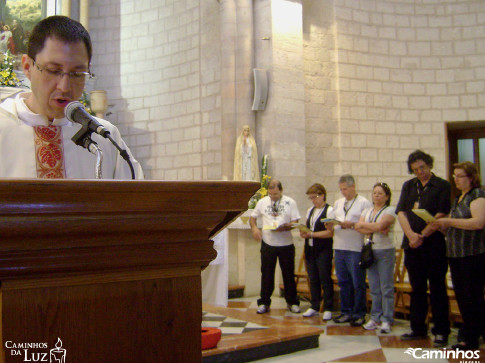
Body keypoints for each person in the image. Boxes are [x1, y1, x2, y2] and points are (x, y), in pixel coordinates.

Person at [0, 16, 143, 180]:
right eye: (53, 70)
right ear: (27, 67)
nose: (65, 86)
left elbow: (135, 201)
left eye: (77, 74)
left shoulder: (104, 137)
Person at [396, 150, 450, 347]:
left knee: (437, 288)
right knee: (416, 288)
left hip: (433, 244)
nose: (420, 172)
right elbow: (401, 212)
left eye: (423, 168)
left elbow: (442, 214)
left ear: (429, 165)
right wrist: (411, 235)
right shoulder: (409, 186)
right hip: (412, 244)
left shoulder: (442, 185)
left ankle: (441, 330)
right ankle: (417, 328)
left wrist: (422, 235)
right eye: (416, 170)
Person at [432, 162, 485, 350]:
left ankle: (471, 339)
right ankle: (470, 333)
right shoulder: (458, 199)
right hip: (456, 255)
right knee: (462, 296)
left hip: (472, 255)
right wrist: (443, 226)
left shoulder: (477, 195)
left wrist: (449, 220)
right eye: (454, 175)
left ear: (471, 177)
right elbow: (457, 226)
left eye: (460, 176)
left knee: (472, 297)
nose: (456, 179)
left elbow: (478, 222)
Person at [326, 175, 372, 326]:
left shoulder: (363, 202)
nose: (343, 192)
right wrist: (329, 224)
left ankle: (359, 313)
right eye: (341, 189)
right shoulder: (339, 203)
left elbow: (366, 225)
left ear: (353, 186)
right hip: (339, 246)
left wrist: (352, 224)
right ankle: (346, 311)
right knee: (343, 281)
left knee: (357, 282)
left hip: (355, 248)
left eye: (345, 189)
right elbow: (332, 220)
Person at [250, 179, 301, 314]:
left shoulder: (290, 202)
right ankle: (264, 302)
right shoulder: (262, 202)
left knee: (288, 274)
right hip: (268, 243)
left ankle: (292, 302)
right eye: (271, 194)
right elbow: (253, 217)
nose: (273, 197)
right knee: (266, 274)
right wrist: (254, 229)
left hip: (286, 244)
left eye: (276, 194)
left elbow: (296, 220)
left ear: (281, 191)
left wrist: (288, 226)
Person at [355, 182, 396, 334]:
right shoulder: (367, 210)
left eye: (380, 193)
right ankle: (375, 317)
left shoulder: (391, 210)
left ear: (387, 196)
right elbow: (358, 227)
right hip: (370, 250)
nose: (377, 195)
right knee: (374, 287)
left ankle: (387, 319)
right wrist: (374, 226)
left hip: (385, 250)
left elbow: (380, 226)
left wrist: (369, 226)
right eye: (374, 193)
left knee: (386, 286)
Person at [299, 183, 334, 320]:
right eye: (311, 198)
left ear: (322, 195)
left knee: (325, 277)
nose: (313, 200)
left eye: (314, 197)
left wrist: (312, 234)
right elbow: (309, 229)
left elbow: (330, 232)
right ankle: (314, 305)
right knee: (313, 277)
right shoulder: (310, 211)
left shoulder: (329, 210)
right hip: (310, 248)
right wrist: (304, 233)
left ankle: (328, 307)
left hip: (323, 248)